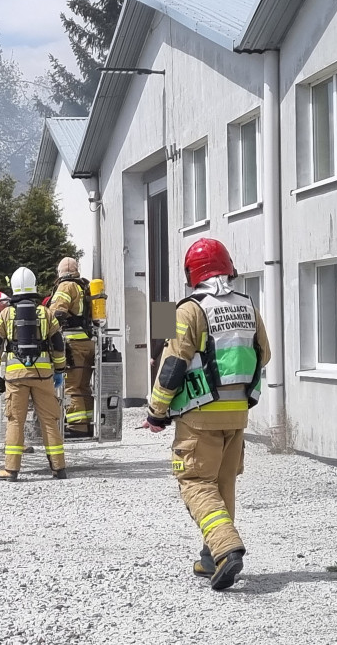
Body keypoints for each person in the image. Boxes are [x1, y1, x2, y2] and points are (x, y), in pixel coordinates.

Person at [145, 238, 271, 591]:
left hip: (200, 415)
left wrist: (156, 412)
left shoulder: (186, 310)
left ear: (191, 274)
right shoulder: (247, 305)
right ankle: (210, 557)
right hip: (238, 414)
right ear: (228, 267)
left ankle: (227, 547)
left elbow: (171, 367)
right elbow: (266, 352)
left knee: (196, 483)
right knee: (222, 484)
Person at [0, 267, 68, 481]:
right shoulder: (46, 313)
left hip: (15, 377)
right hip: (43, 376)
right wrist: (59, 370)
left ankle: (11, 470)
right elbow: (58, 345)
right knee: (49, 420)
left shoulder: (5, 314)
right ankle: (59, 468)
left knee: (15, 421)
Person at [47, 256, 95, 438]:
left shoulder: (66, 286)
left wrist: (45, 329)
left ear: (60, 272)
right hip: (88, 342)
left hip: (73, 343)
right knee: (83, 386)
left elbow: (57, 313)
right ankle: (87, 424)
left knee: (71, 386)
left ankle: (77, 427)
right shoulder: (84, 286)